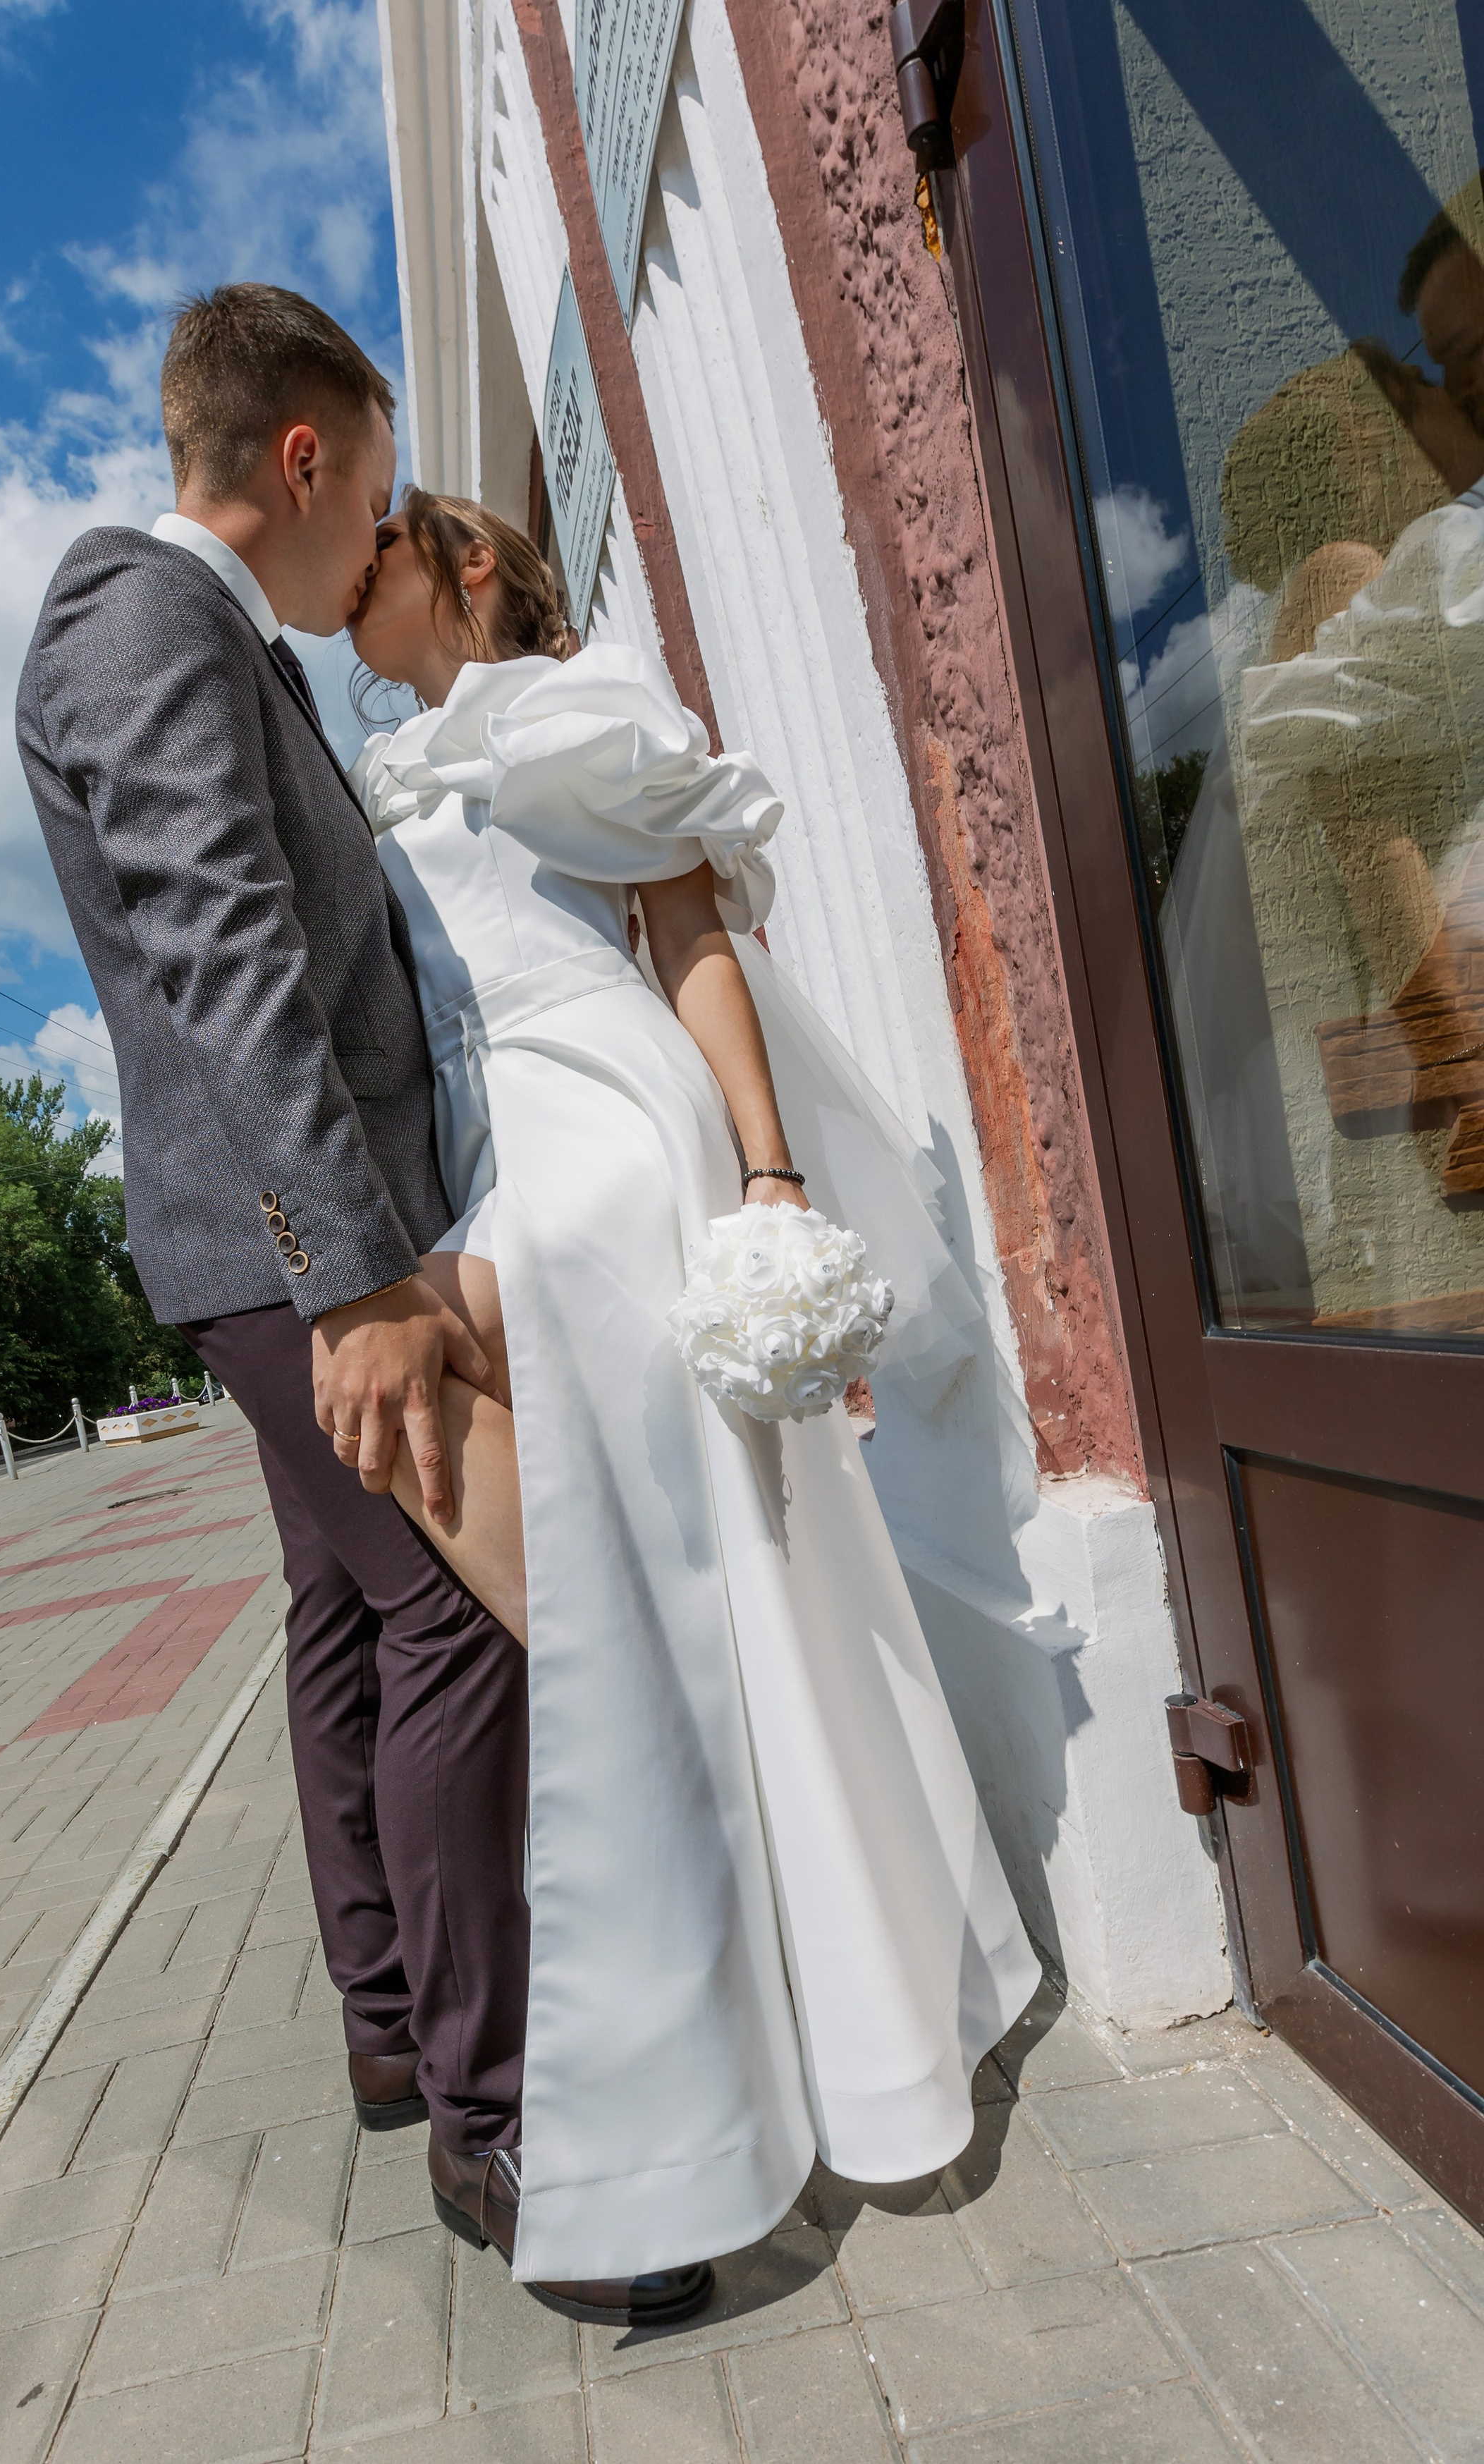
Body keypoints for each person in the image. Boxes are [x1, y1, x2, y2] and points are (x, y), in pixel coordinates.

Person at [16, 286, 713, 2329]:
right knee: (460, 1623)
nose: (383, 533)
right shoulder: (140, 619)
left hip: (276, 1233)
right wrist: (359, 1282)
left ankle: (399, 2022)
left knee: (346, 1609)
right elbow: (231, 954)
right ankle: (514, 2137)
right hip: (284, 1241)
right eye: (379, 483)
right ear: (304, 458)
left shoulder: (188, 633)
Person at [345, 487, 1041, 2290]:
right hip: (511, 1178)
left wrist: (766, 1172)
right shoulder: (389, 761)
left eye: (381, 554)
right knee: (642, 1601)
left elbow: (682, 929)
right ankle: (724, 2029)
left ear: (466, 561)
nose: (348, 589)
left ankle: (842, 2035)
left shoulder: (581, 702)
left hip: (622, 1153)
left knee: (738, 1577)